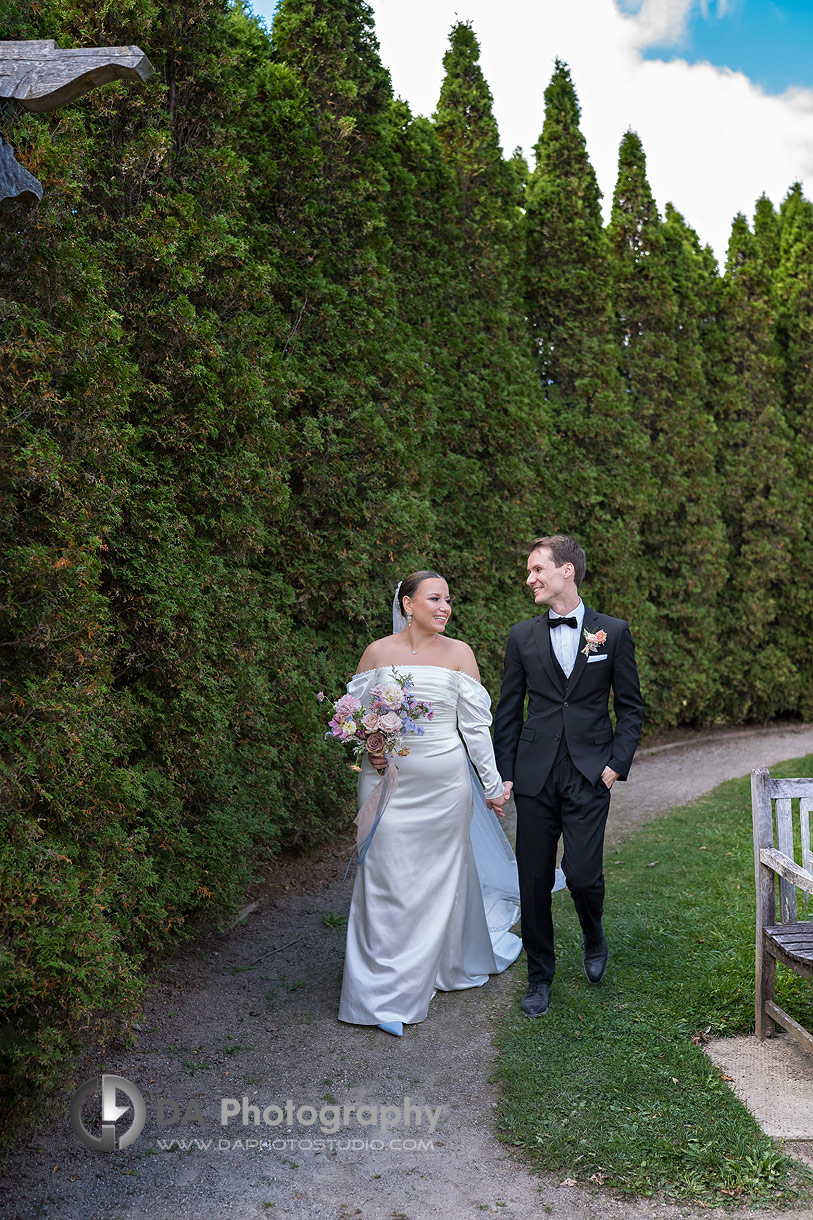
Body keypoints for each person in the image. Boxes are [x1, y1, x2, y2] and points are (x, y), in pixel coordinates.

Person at [338, 570, 520, 1036]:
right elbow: (350, 714)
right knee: (383, 878)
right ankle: (378, 991)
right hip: (386, 782)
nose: (444, 607)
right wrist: (369, 745)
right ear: (406, 603)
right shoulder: (377, 653)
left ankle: (422, 976)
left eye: (448, 600)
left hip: (444, 787)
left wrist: (493, 784)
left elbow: (476, 729)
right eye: (434, 598)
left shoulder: (460, 654)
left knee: (436, 882)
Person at [493, 535, 643, 1018]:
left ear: (567, 572)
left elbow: (631, 709)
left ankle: (593, 934)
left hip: (588, 773)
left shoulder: (612, 633)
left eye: (538, 569)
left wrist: (614, 766)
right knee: (532, 879)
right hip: (535, 775)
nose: (530, 579)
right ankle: (540, 977)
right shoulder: (521, 636)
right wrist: (506, 774)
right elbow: (509, 711)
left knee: (581, 875)